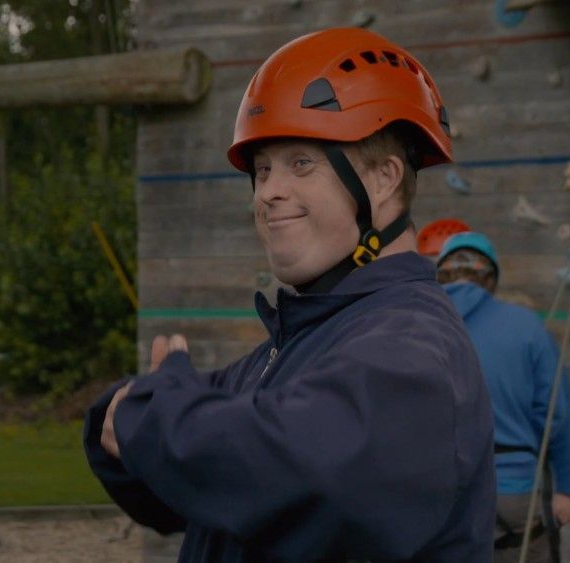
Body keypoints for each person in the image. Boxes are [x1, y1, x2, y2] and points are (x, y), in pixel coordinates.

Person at [84, 27, 495, 561]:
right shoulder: (303, 341)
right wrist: (128, 421)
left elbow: (304, 473)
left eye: (301, 162)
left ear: (383, 179)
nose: (269, 191)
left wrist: (157, 419)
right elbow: (189, 482)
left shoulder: (412, 349)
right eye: (262, 170)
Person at [437, 231, 570, 563]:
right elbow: (557, 416)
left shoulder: (416, 328)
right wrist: (566, 489)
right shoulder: (526, 327)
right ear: (490, 279)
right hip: (515, 492)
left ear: (440, 276)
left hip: (439, 495)